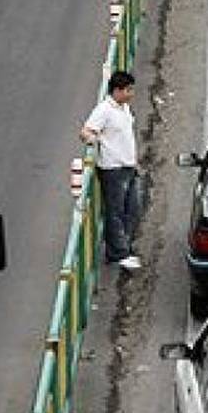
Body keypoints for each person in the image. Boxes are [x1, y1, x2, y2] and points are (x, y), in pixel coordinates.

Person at [81, 71, 142, 271]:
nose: (131, 93)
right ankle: (118, 253)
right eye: (128, 90)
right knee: (115, 212)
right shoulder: (104, 110)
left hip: (128, 166)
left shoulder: (124, 108)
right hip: (113, 169)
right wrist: (93, 139)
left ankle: (124, 247)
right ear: (116, 90)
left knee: (132, 209)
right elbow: (86, 131)